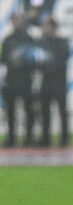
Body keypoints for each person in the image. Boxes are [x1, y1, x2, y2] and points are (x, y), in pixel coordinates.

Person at [1, 13, 36, 147]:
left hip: (26, 80)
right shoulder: (8, 40)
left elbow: (33, 59)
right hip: (11, 80)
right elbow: (3, 62)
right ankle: (11, 137)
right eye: (14, 20)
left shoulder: (28, 39)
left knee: (29, 110)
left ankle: (29, 138)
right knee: (10, 111)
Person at [36, 15, 71, 147]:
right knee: (45, 111)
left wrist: (51, 65)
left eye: (46, 25)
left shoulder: (62, 42)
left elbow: (63, 60)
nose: (44, 29)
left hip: (59, 82)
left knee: (62, 111)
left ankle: (64, 139)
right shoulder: (42, 42)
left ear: (53, 27)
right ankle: (46, 138)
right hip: (46, 82)